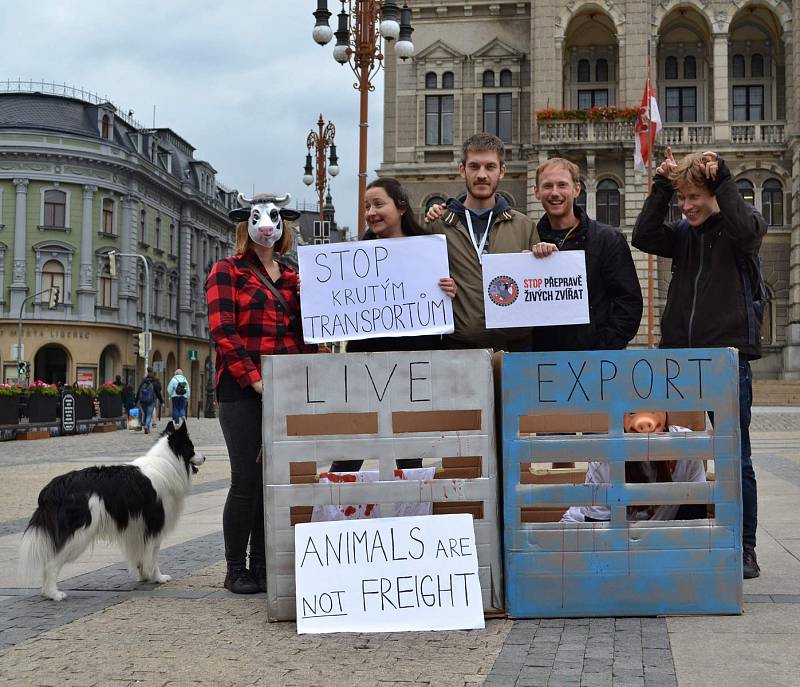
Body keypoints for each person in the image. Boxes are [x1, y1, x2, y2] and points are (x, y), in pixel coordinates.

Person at [632, 148, 767, 579]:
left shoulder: (738, 229)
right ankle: (679, 524)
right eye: (682, 199)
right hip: (679, 358)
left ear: (713, 194)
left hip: (726, 360)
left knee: (734, 455)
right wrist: (660, 187)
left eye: (695, 197)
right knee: (675, 445)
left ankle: (744, 546)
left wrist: (724, 178)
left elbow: (747, 229)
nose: (687, 206)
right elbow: (643, 235)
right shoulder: (682, 235)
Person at [206, 193, 317, 595]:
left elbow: (309, 333)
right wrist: (253, 377)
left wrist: (313, 307)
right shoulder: (227, 270)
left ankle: (263, 564)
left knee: (273, 478)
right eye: (259, 219)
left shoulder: (293, 277)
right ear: (246, 224)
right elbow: (223, 331)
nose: (268, 226)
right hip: (240, 388)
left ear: (284, 224)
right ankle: (235, 567)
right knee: (246, 478)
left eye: (275, 219)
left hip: (285, 386)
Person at [332, 178, 457, 472]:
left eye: (378, 204)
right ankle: (335, 509)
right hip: (367, 362)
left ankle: (409, 510)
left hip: (414, 362)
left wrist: (451, 289)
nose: (371, 212)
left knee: (409, 447)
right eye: (366, 206)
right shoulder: (353, 257)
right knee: (356, 443)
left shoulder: (429, 249)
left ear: (400, 207)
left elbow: (444, 303)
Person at [425, 133, 539, 351]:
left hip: (515, 348)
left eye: (490, 167)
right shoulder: (438, 225)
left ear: (502, 171)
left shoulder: (525, 226)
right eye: (474, 166)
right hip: (459, 347)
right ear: (462, 169)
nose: (482, 175)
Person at [529, 158, 642, 351]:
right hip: (542, 361)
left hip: (595, 361)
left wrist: (603, 347)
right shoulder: (529, 240)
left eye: (562, 185)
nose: (555, 193)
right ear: (537, 192)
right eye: (547, 186)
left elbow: (628, 303)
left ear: (576, 189)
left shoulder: (608, 239)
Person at [561, 411, 707, 523]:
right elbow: (599, 538)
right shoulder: (604, 461)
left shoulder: (687, 447)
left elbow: (694, 517)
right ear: (620, 417)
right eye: (631, 412)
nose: (643, 420)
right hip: (586, 539)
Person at [135, 366, 163, 434]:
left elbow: (139, 390)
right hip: (151, 400)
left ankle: (146, 426)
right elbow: (158, 390)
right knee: (149, 414)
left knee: (145, 413)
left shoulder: (144, 380)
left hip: (143, 400)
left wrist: (136, 400)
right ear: (152, 371)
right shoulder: (155, 380)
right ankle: (146, 426)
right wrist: (161, 400)